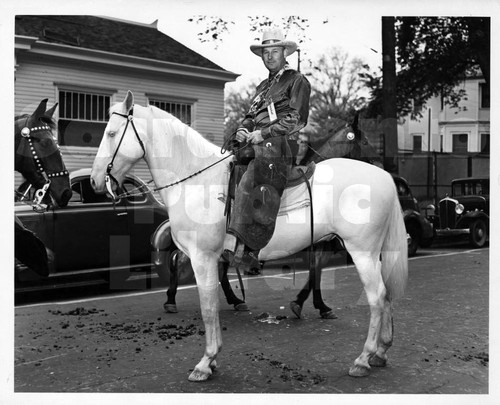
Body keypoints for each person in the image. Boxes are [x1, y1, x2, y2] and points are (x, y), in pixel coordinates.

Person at [224, 28, 311, 274]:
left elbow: (296, 118)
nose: (270, 56)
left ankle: (248, 248)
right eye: (266, 53)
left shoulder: (297, 80)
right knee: (227, 169)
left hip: (280, 144)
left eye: (275, 51)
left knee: (253, 174)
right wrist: (243, 129)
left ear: (285, 53)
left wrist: (263, 134)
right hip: (255, 142)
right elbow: (251, 116)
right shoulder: (263, 86)